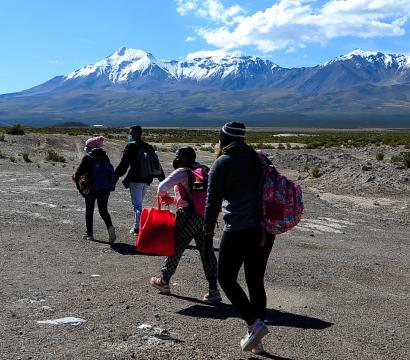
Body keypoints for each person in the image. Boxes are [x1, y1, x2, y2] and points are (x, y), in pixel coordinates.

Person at [203, 122, 275, 354]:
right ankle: (257, 341)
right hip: (264, 230)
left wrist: (207, 232)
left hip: (238, 229)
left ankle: (254, 325)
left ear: (223, 138)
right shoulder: (258, 158)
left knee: (226, 278)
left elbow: (212, 202)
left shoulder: (222, 162)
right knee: (255, 280)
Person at [149, 146, 222, 303]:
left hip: (187, 216)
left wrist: (168, 198)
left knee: (176, 246)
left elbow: (162, 188)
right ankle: (213, 290)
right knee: (206, 250)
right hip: (205, 216)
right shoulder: (203, 170)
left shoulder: (182, 172)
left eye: (177, 156)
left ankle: (164, 281)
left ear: (181, 158)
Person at [115, 125, 165, 235]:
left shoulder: (131, 146)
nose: (129, 135)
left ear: (136, 133)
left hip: (135, 179)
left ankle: (137, 227)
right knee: (139, 203)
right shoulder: (148, 146)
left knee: (137, 205)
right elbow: (157, 164)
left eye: (130, 133)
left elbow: (124, 165)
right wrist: (162, 178)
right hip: (147, 179)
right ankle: (139, 225)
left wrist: (115, 176)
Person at [73, 136, 116, 243]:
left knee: (89, 210)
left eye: (87, 146)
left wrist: (79, 187)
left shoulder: (87, 157)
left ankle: (89, 234)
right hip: (104, 189)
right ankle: (110, 227)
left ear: (91, 147)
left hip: (91, 188)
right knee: (103, 210)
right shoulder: (105, 157)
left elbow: (78, 173)